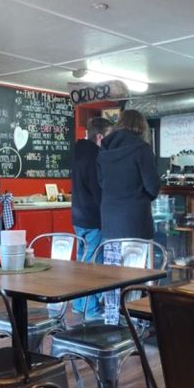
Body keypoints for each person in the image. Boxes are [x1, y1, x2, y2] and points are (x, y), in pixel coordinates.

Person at [97, 109, 161, 324]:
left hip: (110, 221)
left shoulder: (104, 149)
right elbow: (152, 186)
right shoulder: (142, 149)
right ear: (141, 127)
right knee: (135, 275)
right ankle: (133, 322)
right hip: (135, 221)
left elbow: (101, 183)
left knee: (113, 275)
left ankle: (113, 319)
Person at [70, 117, 111, 316]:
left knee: (82, 263)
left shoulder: (77, 152)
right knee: (93, 264)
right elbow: (98, 191)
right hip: (94, 217)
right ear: (100, 137)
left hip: (78, 216)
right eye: (109, 136)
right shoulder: (96, 157)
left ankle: (79, 305)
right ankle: (91, 309)